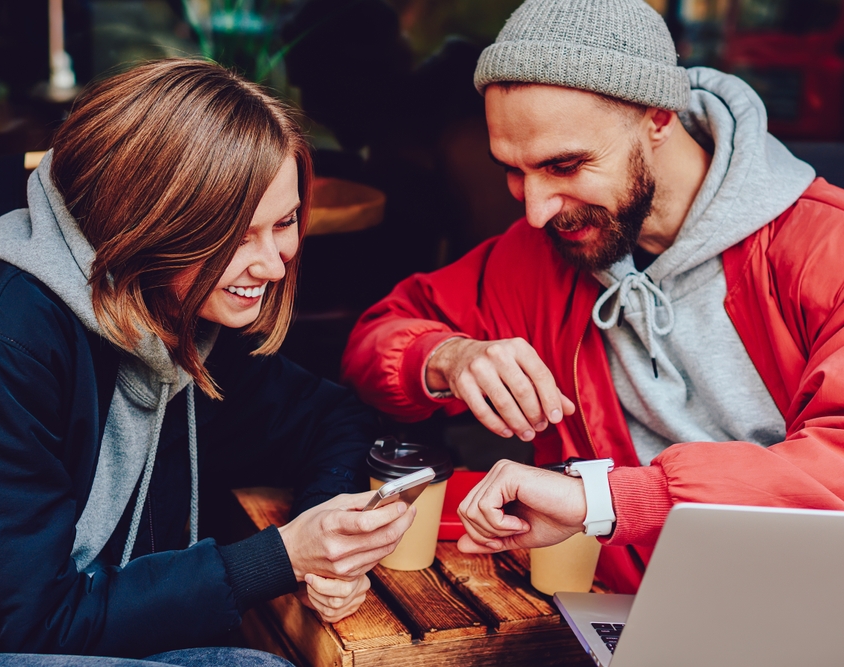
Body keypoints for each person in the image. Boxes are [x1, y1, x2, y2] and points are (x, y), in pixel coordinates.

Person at [0, 59, 416, 663]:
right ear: (149, 224)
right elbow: (37, 624)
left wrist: (327, 538)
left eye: (286, 222)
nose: (273, 264)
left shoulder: (181, 319)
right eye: (236, 236)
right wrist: (283, 555)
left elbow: (331, 420)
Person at [341, 0, 844, 595]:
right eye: (514, 170)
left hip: (799, 606)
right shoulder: (537, 253)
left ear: (658, 117)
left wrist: (605, 498)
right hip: (603, 608)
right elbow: (375, 340)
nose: (535, 209)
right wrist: (448, 356)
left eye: (565, 165)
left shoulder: (825, 248)